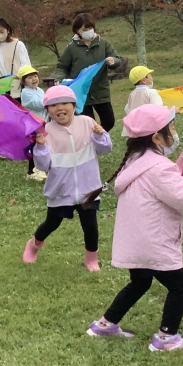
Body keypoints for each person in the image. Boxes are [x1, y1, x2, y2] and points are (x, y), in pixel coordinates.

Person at [86, 104, 183, 351]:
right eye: (171, 127)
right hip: (153, 242)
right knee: (180, 284)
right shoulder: (159, 168)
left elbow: (172, 189)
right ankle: (166, 338)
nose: (175, 132)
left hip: (136, 240)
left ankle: (105, 325)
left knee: (140, 282)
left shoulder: (136, 161)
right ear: (156, 138)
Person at [23, 85, 112, 271]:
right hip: (61, 189)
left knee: (90, 226)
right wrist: (41, 147)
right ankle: (33, 245)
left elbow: (105, 149)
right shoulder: (45, 131)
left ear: (74, 105)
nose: (60, 108)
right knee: (51, 223)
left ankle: (91, 259)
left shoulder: (87, 122)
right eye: (53, 105)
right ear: (47, 109)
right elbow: (42, 166)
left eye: (65, 103)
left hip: (88, 188)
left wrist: (99, 136)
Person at [51, 13, 120, 132]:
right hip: (81, 93)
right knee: (87, 124)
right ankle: (90, 140)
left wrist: (113, 61)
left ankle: (98, 137)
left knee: (109, 121)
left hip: (100, 91)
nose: (88, 31)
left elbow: (118, 59)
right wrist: (58, 78)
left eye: (90, 28)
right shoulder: (71, 48)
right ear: (77, 31)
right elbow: (62, 66)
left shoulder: (103, 44)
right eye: (84, 29)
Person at [0, 18, 31, 97]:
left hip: (16, 87)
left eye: (2, 31)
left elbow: (26, 64)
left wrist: (18, 75)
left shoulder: (17, 44)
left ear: (8, 30)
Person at [18, 65, 47, 181]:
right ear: (23, 81)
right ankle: (32, 171)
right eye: (29, 77)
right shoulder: (25, 92)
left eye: (35, 76)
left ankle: (41, 168)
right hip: (33, 124)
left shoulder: (39, 90)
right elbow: (37, 104)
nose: (34, 79)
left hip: (42, 123)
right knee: (35, 147)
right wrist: (49, 99)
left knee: (42, 145)